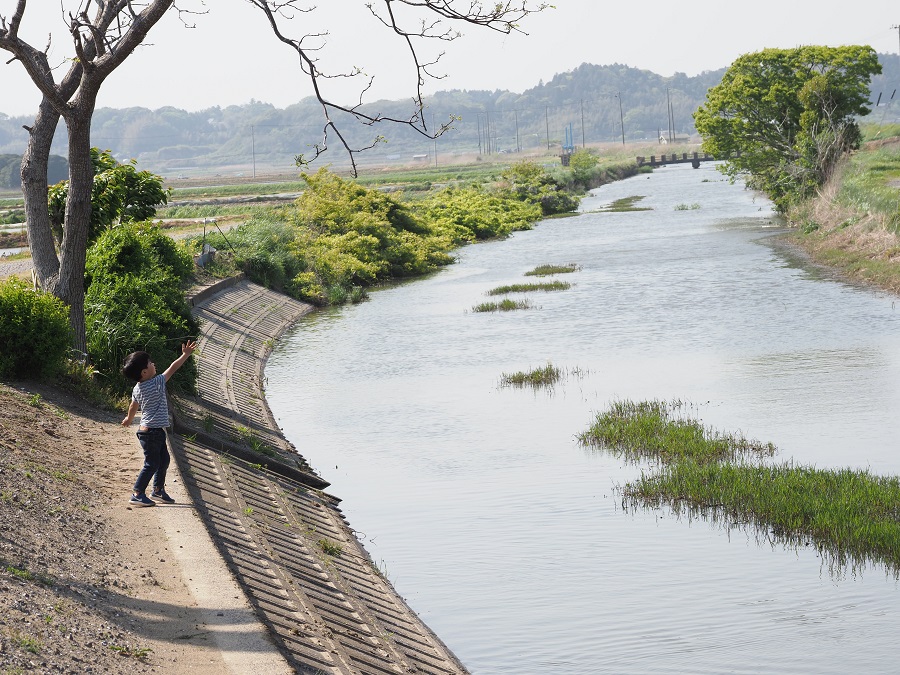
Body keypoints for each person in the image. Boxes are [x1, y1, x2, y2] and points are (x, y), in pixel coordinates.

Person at [121, 340, 197, 507]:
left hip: (150, 431)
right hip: (152, 432)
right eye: (150, 363)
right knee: (152, 463)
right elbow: (173, 368)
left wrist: (129, 418)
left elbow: (133, 405)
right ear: (145, 371)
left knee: (164, 460)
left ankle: (157, 490)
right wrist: (185, 355)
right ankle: (137, 493)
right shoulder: (156, 383)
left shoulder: (137, 388)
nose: (153, 364)